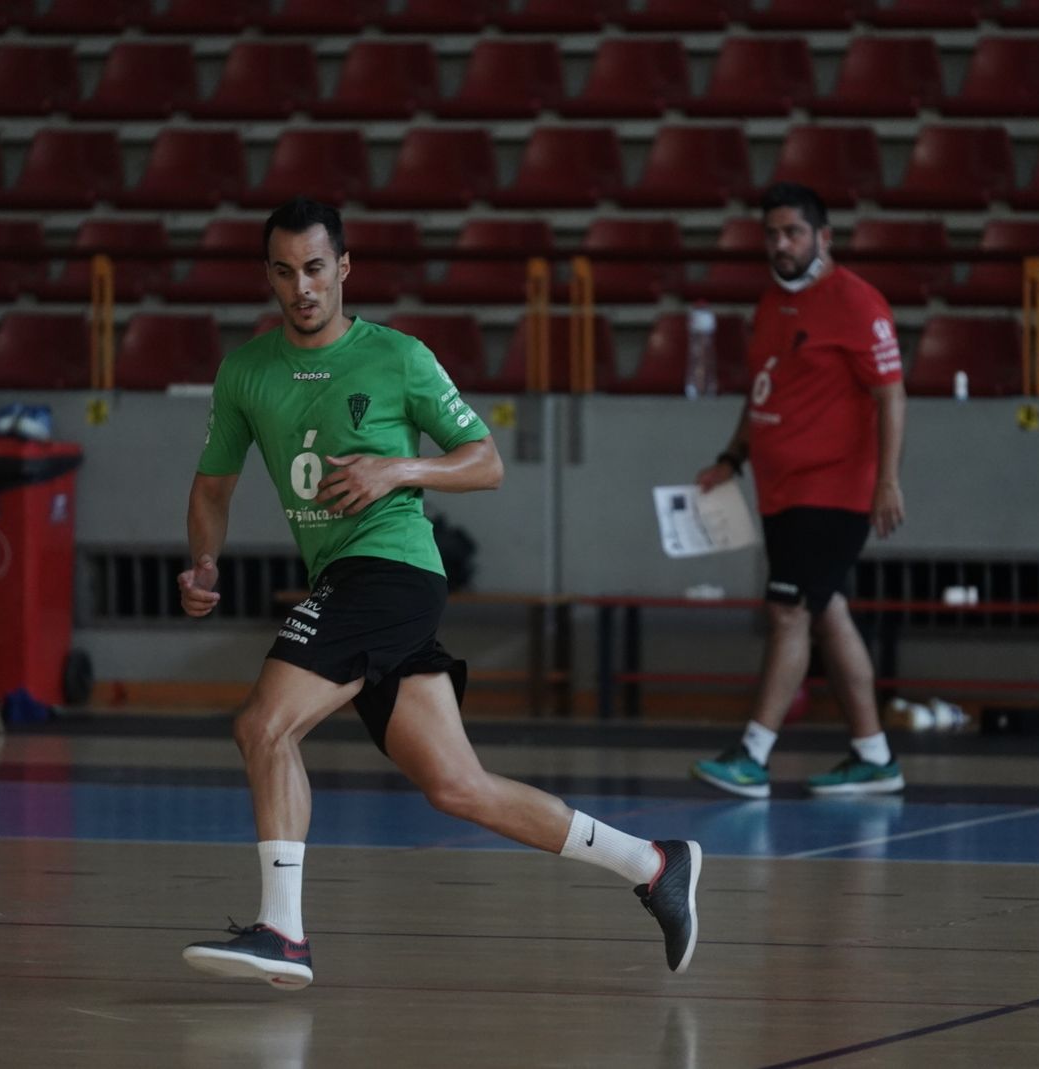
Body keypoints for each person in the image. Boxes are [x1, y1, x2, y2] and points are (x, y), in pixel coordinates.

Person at [178, 197, 702, 989]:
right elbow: (214, 484)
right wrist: (204, 561)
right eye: (284, 272)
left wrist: (400, 468)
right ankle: (654, 863)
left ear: (344, 268)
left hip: (390, 571)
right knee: (458, 786)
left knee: (263, 725)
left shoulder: (398, 357)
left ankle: (283, 930)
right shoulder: (248, 370)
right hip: (348, 580)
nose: (302, 287)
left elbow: (484, 460)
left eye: (316, 268)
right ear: (270, 277)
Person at [689, 182, 908, 800]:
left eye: (793, 232)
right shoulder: (770, 304)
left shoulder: (857, 304)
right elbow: (763, 396)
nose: (781, 244)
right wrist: (732, 457)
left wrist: (887, 478)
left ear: (823, 236)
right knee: (827, 610)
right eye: (772, 233)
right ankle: (874, 756)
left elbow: (891, 394)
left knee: (788, 611)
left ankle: (753, 754)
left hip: (834, 490)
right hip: (779, 490)